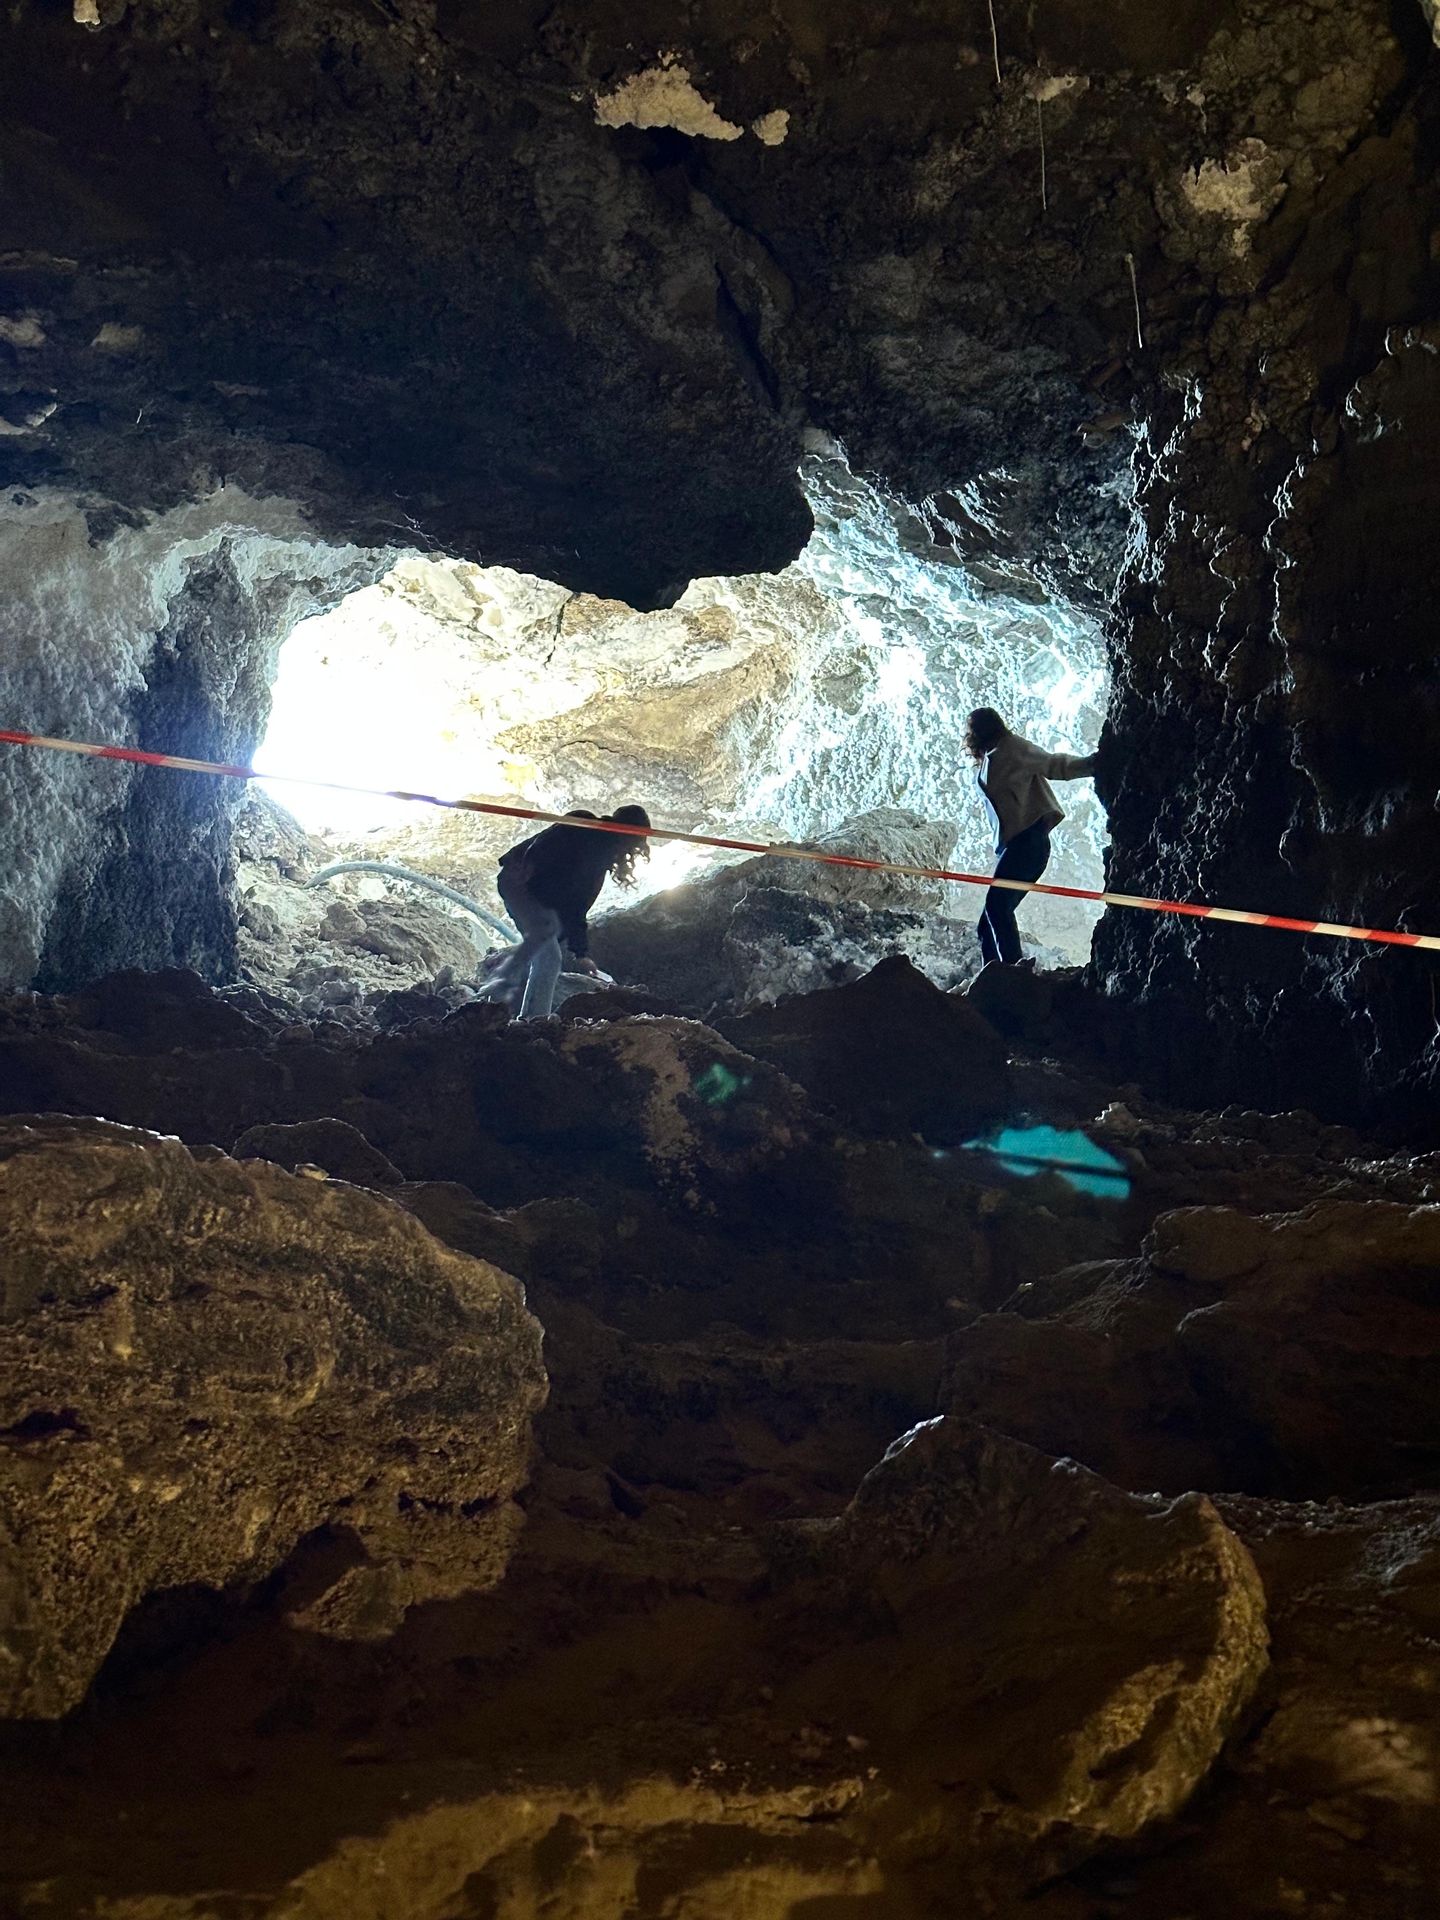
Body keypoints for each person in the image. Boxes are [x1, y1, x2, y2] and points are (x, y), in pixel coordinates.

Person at [478, 805, 651, 1019]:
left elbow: (576, 902)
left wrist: (578, 950)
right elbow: (575, 900)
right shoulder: (589, 833)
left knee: (544, 952)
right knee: (549, 957)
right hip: (519, 884)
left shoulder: (599, 849)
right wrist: (580, 952)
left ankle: (507, 1008)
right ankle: (534, 1021)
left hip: (534, 891)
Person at [966, 708, 1097, 969]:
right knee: (988, 922)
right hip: (1015, 847)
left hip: (1028, 842)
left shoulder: (1013, 748)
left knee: (997, 908)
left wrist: (1094, 764)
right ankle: (992, 977)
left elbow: (1054, 765)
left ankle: (1014, 971)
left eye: (970, 729)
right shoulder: (991, 758)